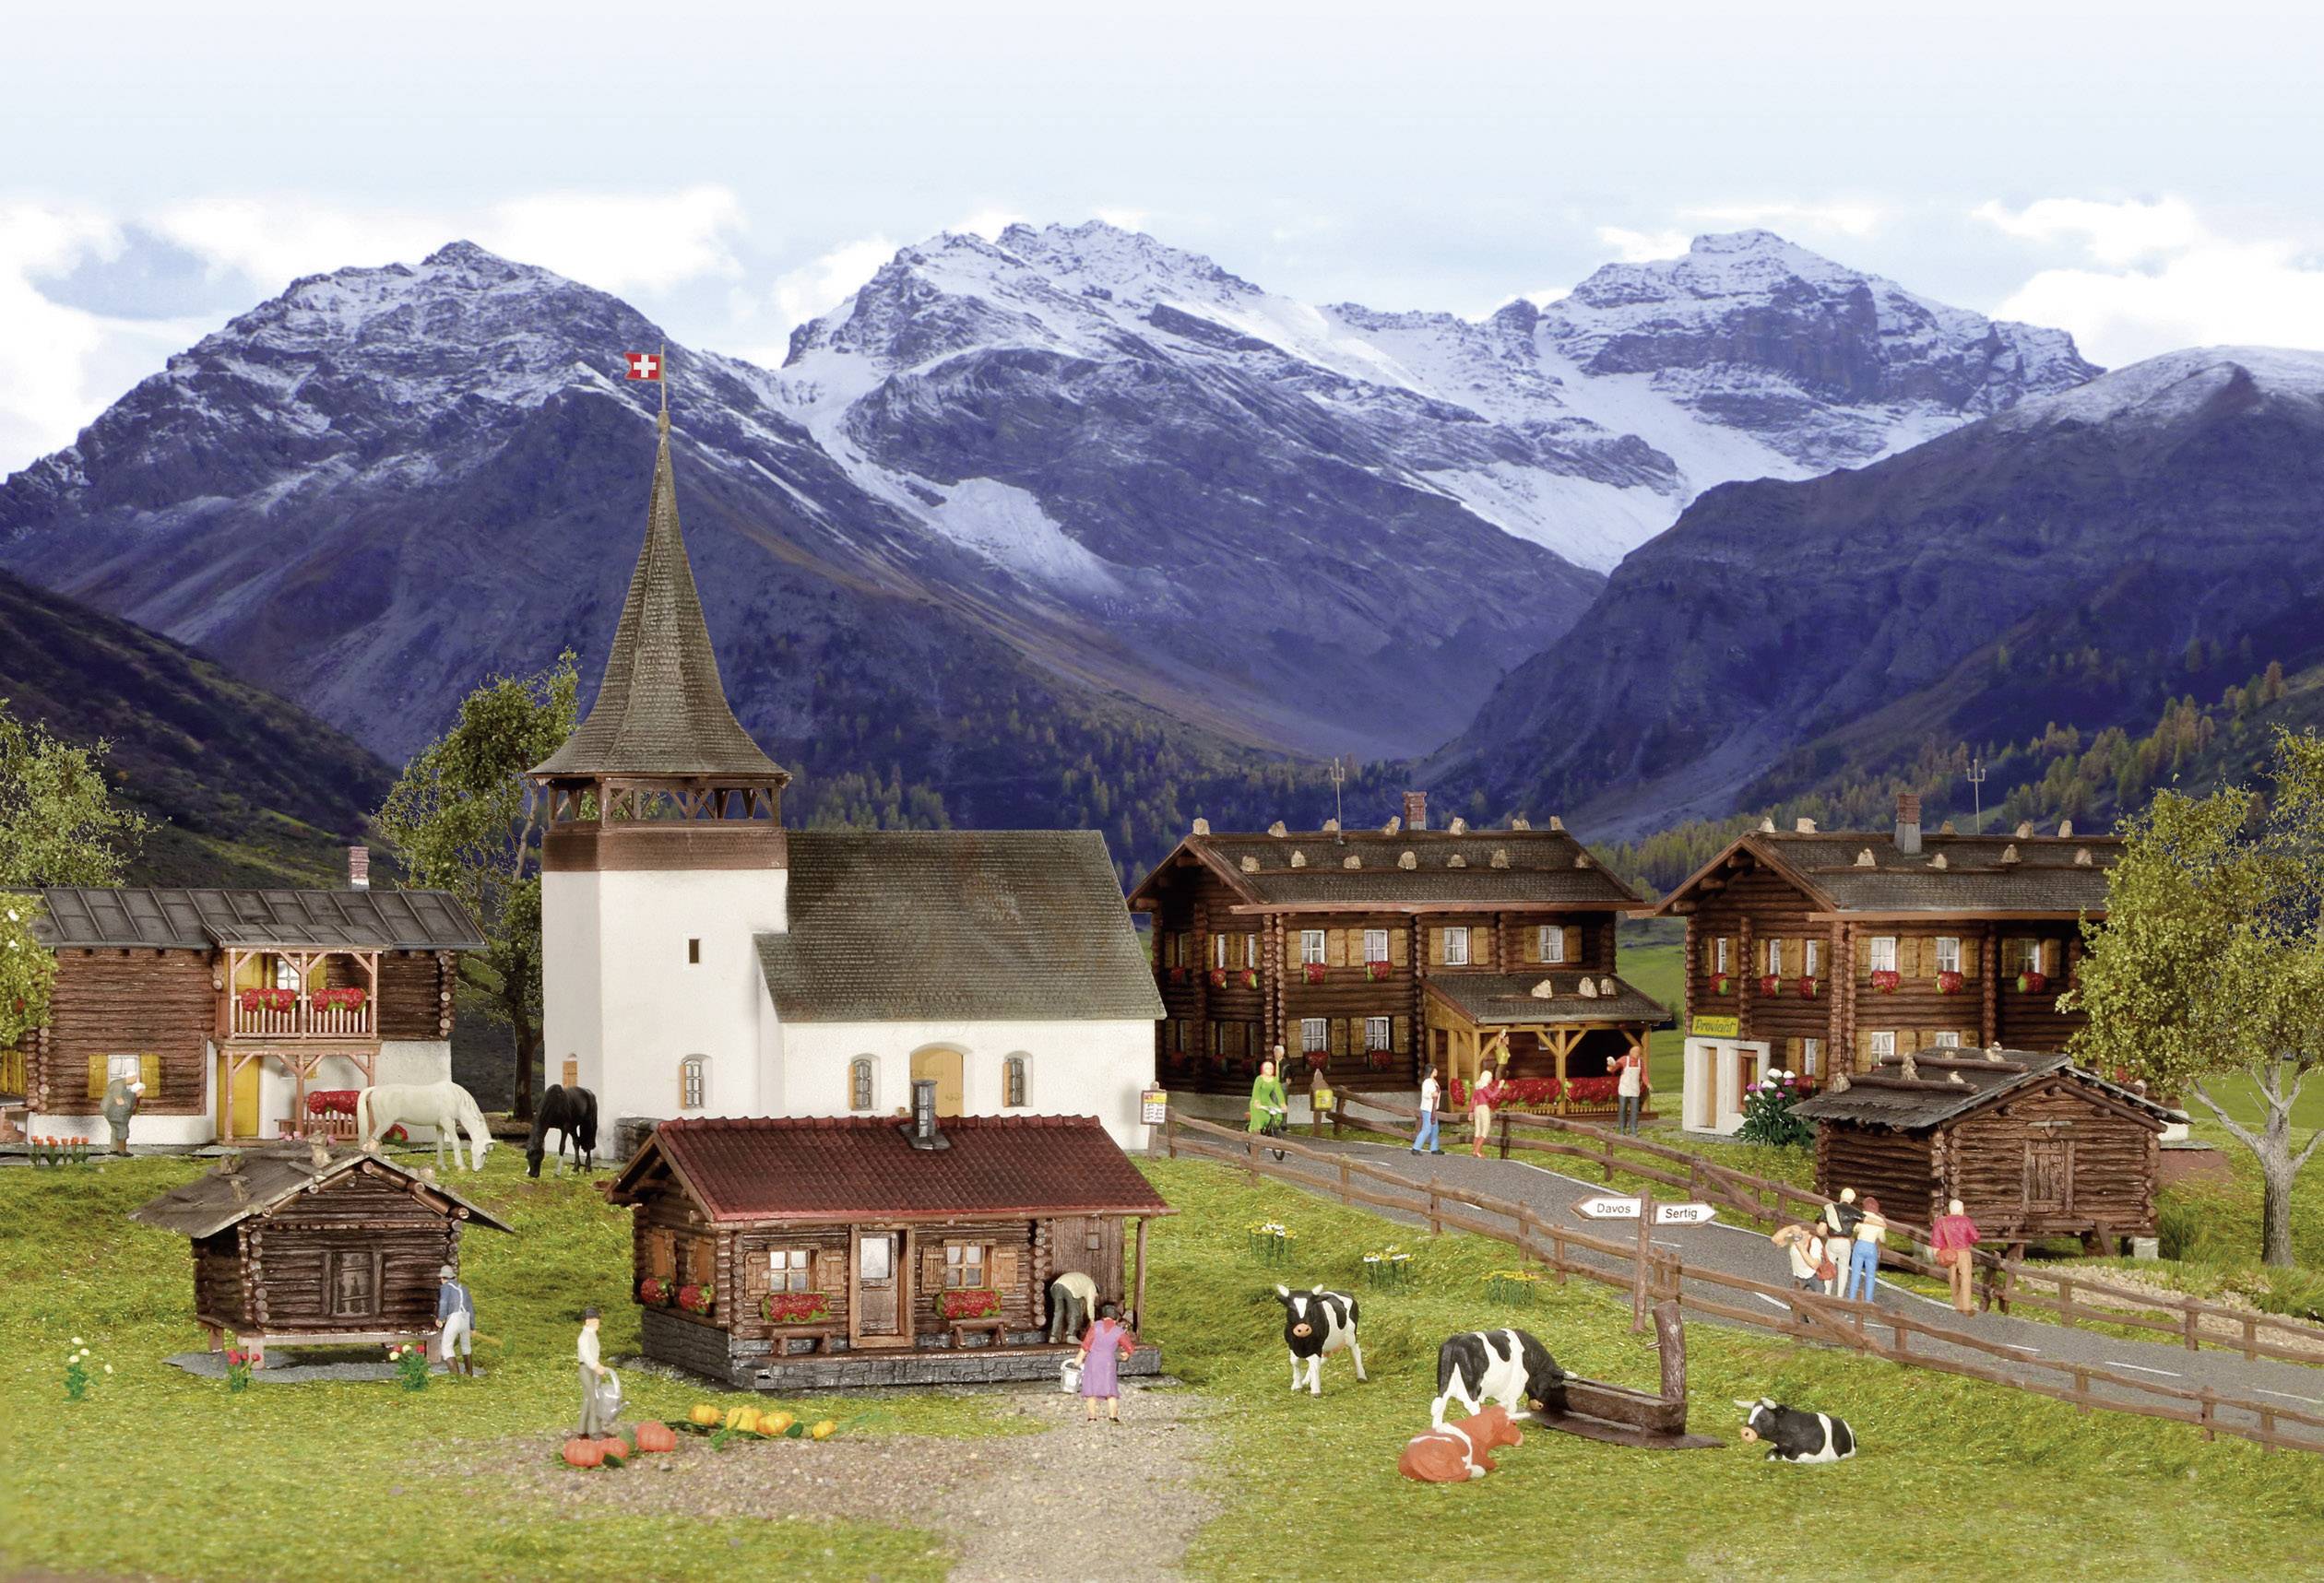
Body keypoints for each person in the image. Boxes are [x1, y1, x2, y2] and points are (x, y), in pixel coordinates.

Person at [1075, 1301, 1136, 1424]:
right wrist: (1126, 1354)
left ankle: (1092, 1417)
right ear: (1115, 1318)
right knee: (1110, 1389)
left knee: (1091, 1390)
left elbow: (1086, 1344)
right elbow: (1129, 1347)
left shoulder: (1096, 1327)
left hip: (1093, 1360)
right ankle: (1113, 1416)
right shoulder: (1118, 1331)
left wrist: (1079, 1359)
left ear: (1103, 1316)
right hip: (1108, 1361)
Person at [1931, 1197, 1983, 1314]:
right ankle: (1966, 1306)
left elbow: (1936, 1239)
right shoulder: (1966, 1221)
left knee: (1953, 1279)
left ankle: (1957, 1305)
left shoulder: (1941, 1221)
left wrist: (1936, 1253)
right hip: (1963, 1253)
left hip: (1949, 1253)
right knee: (1965, 1278)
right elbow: (1975, 1237)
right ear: (1961, 1209)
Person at [575, 1306, 618, 1435]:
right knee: (595, 1397)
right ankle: (594, 1431)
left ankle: (582, 1430)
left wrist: (597, 1366)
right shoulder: (584, 1337)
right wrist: (596, 1366)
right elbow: (587, 1355)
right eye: (594, 1321)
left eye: (597, 1321)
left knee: (588, 1399)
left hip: (591, 1368)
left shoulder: (591, 1334)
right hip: (586, 1368)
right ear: (587, 1321)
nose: (597, 1324)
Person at [1844, 1196, 1888, 1304]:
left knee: (1856, 1272)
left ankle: (1852, 1298)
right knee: (1870, 1275)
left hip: (1860, 1244)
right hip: (1871, 1246)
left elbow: (1855, 1229)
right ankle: (1868, 1300)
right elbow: (1882, 1238)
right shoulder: (1880, 1220)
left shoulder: (1861, 1217)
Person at [1819, 1188, 1861, 1295]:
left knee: (1828, 1266)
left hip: (1832, 1241)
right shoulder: (1854, 1211)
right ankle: (1840, 1295)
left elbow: (1821, 1229)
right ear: (1852, 1199)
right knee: (1843, 1269)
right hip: (1845, 1243)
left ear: (1841, 1197)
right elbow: (1866, 1220)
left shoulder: (1830, 1209)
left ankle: (1826, 1293)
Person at [436, 1264, 476, 1376]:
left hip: (455, 1318)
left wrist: (441, 1318)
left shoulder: (445, 1288)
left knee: (446, 1347)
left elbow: (443, 1303)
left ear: (443, 1278)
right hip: (466, 1318)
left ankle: (456, 1376)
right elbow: (471, 1308)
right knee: (466, 1346)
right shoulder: (464, 1288)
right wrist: (472, 1326)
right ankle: (469, 1372)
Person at [1771, 1223, 1828, 1294]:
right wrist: (1790, 1228)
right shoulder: (1796, 1238)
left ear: (1808, 1233)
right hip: (1799, 1277)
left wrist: (1801, 1248)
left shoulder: (1814, 1242)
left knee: (1821, 1300)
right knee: (1794, 1299)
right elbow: (1775, 1240)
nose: (1801, 1238)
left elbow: (1814, 1265)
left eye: (1804, 1235)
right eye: (1799, 1235)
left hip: (1815, 1276)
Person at [101, 1074, 145, 1155]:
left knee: (117, 1131)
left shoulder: (131, 1094)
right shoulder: (130, 1095)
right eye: (141, 1091)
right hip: (118, 1116)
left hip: (117, 1115)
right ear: (138, 1090)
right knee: (122, 1131)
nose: (142, 1093)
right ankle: (122, 1151)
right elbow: (125, 1106)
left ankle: (114, 1150)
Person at [1247, 1056, 1288, 1139]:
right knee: (1261, 1115)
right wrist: (1257, 1102)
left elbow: (1279, 1092)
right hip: (1257, 1101)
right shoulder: (1259, 1079)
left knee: (1277, 1112)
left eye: (1271, 1068)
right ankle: (1256, 1133)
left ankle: (1273, 1129)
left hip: (1267, 1100)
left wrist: (1282, 1104)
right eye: (1267, 1068)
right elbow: (1256, 1091)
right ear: (1263, 1069)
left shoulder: (1274, 1080)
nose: (1269, 1070)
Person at [1612, 1045, 1647, 1136]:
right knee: (1622, 1108)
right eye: (1635, 1052)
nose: (1637, 1054)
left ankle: (1633, 1129)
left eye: (1639, 1053)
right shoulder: (1624, 1059)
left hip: (1634, 1089)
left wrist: (1647, 1083)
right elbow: (1615, 1067)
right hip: (1624, 1088)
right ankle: (1621, 1129)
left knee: (1634, 1110)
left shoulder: (1640, 1062)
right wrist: (1611, 1067)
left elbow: (1644, 1074)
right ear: (1631, 1052)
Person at [1469, 1066, 1501, 1159]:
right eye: (1491, 1077)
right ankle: (1477, 1150)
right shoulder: (1484, 1087)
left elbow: (1473, 1100)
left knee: (1478, 1130)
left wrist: (1471, 1112)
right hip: (1483, 1108)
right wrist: (1499, 1087)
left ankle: (1474, 1150)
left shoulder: (1477, 1088)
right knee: (1485, 1129)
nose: (1491, 1079)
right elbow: (1492, 1095)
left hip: (1477, 1108)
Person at [1412, 1063, 1443, 1154]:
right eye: (1434, 1070)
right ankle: (1416, 1148)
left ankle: (1434, 1148)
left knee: (1435, 1129)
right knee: (1427, 1129)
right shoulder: (1427, 1082)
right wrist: (1431, 1095)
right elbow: (1425, 1094)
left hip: (1433, 1109)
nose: (1436, 1071)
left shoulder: (1434, 1082)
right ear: (1431, 1071)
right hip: (1428, 1109)